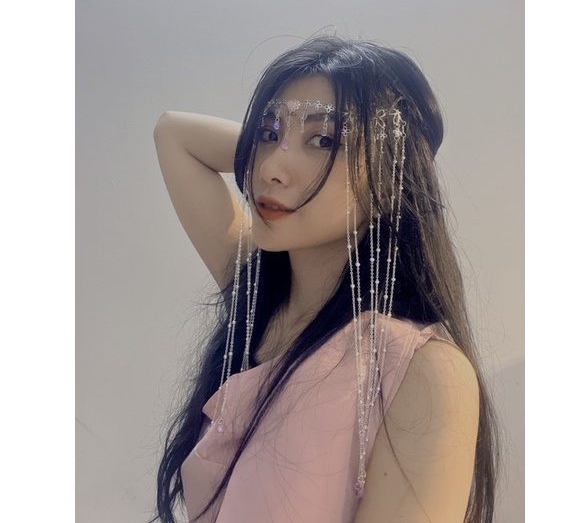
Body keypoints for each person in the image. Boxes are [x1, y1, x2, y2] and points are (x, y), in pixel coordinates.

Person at [152, 36, 498, 523]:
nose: (270, 167)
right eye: (268, 133)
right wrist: (294, 140)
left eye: (325, 141)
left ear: (393, 175)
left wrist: (387, 158)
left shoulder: (422, 371)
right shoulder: (258, 293)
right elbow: (173, 133)